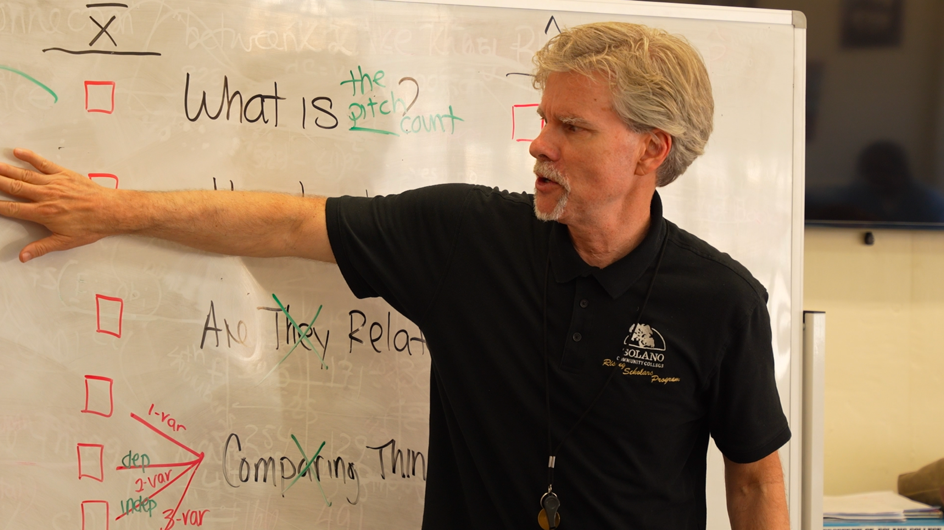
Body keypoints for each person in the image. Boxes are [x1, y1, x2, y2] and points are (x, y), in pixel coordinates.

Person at [0, 22, 789, 530]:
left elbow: (754, 483)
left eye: (572, 127)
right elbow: (285, 223)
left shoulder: (722, 300)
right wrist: (111, 209)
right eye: (544, 119)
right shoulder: (466, 237)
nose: (538, 144)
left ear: (651, 150)